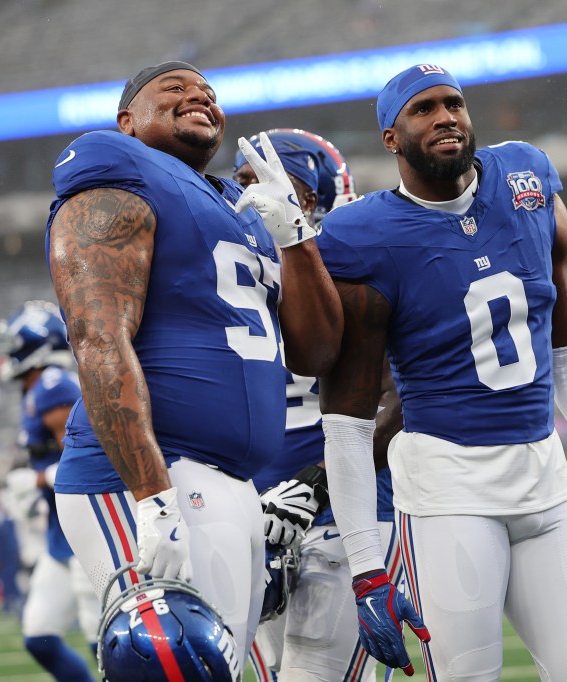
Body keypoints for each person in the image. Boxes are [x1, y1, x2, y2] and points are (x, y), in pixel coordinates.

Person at [315, 63, 567, 680]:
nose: (445, 116)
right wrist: (366, 567)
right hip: (448, 490)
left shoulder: (525, 177)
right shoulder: (363, 234)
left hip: (546, 479)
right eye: (423, 109)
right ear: (391, 137)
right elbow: (349, 415)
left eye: (454, 103)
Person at [46, 61, 343, 669]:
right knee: (170, 667)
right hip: (149, 474)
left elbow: (315, 353)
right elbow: (96, 337)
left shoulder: (238, 204)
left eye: (207, 91)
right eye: (173, 90)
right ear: (127, 122)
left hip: (232, 480)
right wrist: (154, 498)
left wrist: (295, 236)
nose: (198, 97)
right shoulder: (115, 165)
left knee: (225, 668)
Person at [233, 130, 400, 682]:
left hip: (346, 507)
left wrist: (314, 486)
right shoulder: (229, 274)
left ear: (322, 199)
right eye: (245, 182)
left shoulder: (356, 266)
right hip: (256, 514)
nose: (258, 197)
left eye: (282, 186)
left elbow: (403, 399)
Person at [0, 300, 101, 681]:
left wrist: (36, 481)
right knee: (39, 636)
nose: (9, 352)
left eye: (14, 342)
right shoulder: (39, 387)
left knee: (102, 638)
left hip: (85, 534)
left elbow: (89, 464)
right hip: (60, 536)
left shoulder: (54, 386)